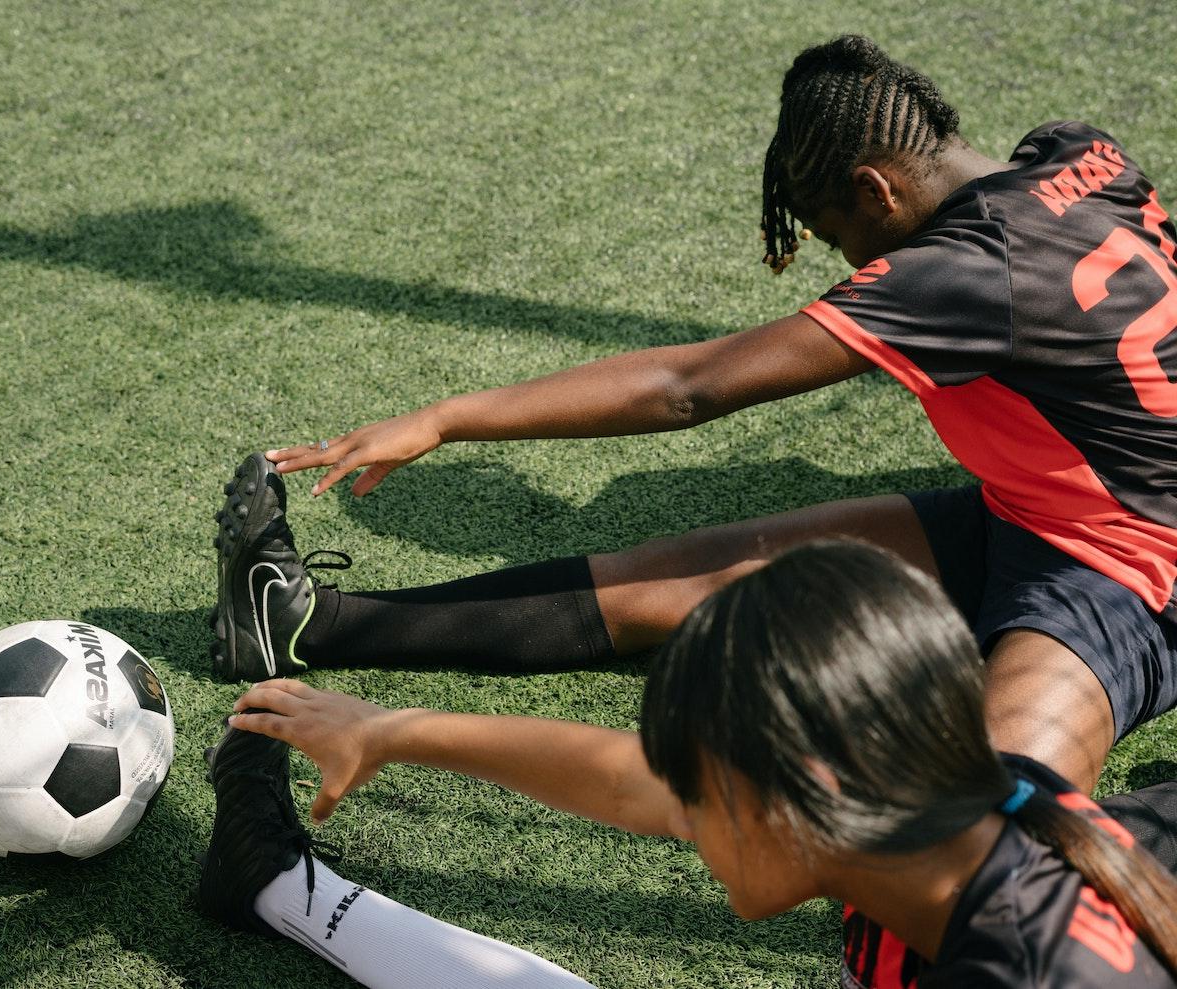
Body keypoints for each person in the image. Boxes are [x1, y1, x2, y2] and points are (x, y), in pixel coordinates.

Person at [209, 34, 1177, 805]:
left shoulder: (951, 276)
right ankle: (304, 624)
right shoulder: (1077, 155)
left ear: (875, 189)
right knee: (679, 578)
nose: (848, 265)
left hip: (1135, 562)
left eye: (838, 234)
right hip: (1037, 512)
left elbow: (690, 384)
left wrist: (446, 417)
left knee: (993, 817)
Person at [198, 541, 1177, 987]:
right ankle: (277, 884)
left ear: (814, 787)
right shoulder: (967, 803)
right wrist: (390, 728)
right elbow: (637, 781)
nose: (686, 826)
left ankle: (281, 886)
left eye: (702, 798)